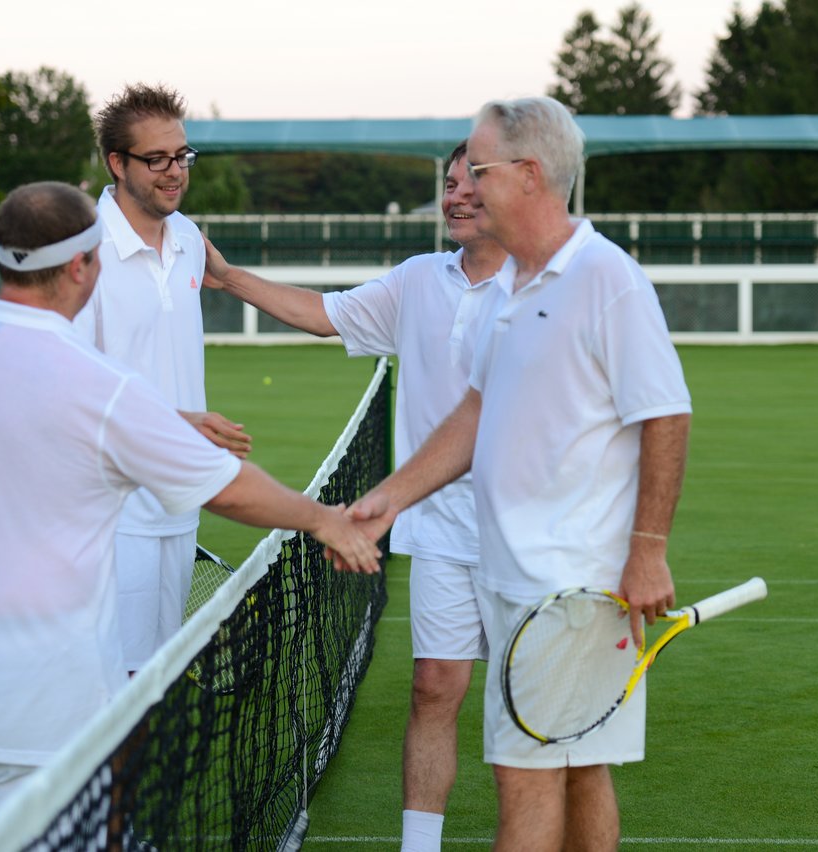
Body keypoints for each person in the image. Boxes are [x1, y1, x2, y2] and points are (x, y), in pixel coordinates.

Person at [0, 182, 381, 852]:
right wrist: (322, 519)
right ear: (83, 265)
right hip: (43, 699)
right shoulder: (98, 385)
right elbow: (226, 489)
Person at [342, 97, 693, 850]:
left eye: (479, 166)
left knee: (527, 777)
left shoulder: (607, 279)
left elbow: (666, 414)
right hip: (511, 575)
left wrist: (649, 548)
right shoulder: (512, 285)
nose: (464, 182)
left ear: (528, 175)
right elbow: (475, 412)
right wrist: (386, 501)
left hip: (567, 589)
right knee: (578, 767)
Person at [201, 141, 507, 852]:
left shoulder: (548, 286)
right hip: (436, 534)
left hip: (526, 536)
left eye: (471, 184)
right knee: (434, 688)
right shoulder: (418, 280)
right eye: (449, 184)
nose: (455, 196)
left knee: (522, 709)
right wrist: (229, 277)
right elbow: (323, 313)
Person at [74, 83, 251, 674]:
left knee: (158, 677)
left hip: (180, 500)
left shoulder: (188, 240)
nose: (175, 172)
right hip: (108, 511)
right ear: (116, 163)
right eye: (157, 160)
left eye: (183, 156)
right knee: (110, 688)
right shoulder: (81, 255)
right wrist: (176, 423)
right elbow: (66, 390)